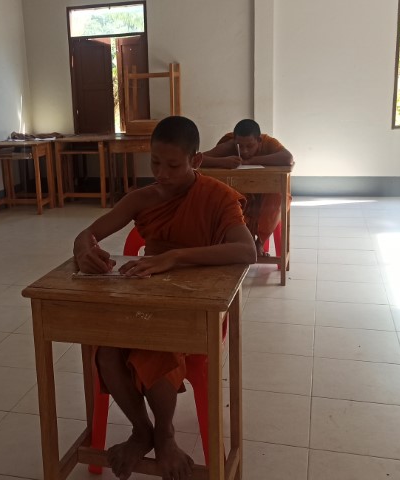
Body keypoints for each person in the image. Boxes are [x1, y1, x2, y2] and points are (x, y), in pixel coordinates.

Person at [73, 116, 256, 479]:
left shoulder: (216, 197)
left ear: (196, 160)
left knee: (153, 350)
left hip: (198, 308)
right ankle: (143, 430)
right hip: (148, 300)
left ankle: (166, 434)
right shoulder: (143, 199)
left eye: (173, 166)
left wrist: (174, 257)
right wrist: (84, 250)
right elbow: (88, 233)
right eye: (155, 163)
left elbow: (246, 250)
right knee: (106, 352)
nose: (161, 174)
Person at [201, 119, 293, 256]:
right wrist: (221, 161)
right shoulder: (228, 144)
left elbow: (288, 158)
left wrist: (252, 161)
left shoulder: (268, 142)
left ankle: (259, 242)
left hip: (264, 194)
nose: (244, 151)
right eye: (240, 146)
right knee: (228, 199)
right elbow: (198, 159)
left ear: (259, 140)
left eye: (250, 146)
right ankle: (241, 241)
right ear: (234, 141)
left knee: (278, 197)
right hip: (240, 191)